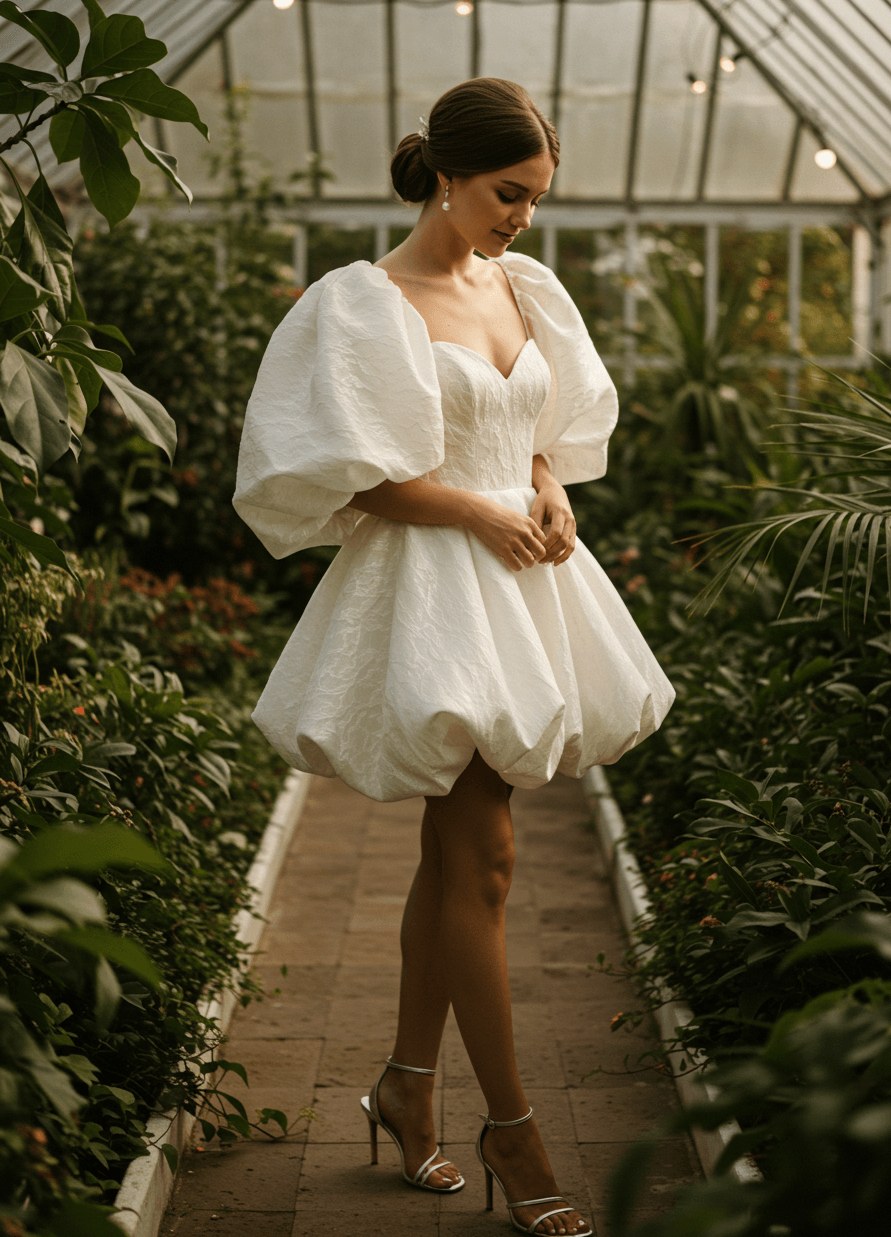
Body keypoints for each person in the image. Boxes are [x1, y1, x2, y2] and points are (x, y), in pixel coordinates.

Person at [233, 78, 674, 1237]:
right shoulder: (365, 302)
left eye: (535, 197)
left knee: (456, 856)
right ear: (445, 176)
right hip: (435, 588)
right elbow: (350, 473)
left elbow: (531, 432)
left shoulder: (523, 286)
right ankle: (513, 1132)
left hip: (523, 584)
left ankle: (406, 1084)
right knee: (483, 855)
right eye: (507, 193)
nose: (522, 216)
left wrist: (544, 488)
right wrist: (480, 509)